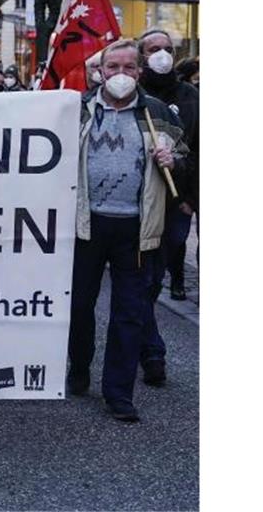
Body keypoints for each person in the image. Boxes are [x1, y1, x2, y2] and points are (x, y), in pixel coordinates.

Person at [67, 39, 188, 422]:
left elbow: (185, 155)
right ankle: (80, 366)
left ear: (140, 71)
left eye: (129, 67)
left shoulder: (157, 113)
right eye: (113, 66)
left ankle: (118, 393)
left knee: (129, 312)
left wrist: (175, 159)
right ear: (100, 71)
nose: (121, 74)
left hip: (137, 229)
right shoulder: (78, 111)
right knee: (78, 304)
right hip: (86, 226)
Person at [137, 29, 199, 310]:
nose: (162, 55)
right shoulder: (134, 94)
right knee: (144, 271)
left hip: (178, 196)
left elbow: (200, 146)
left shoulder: (190, 95)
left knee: (173, 244)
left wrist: (191, 199)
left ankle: (171, 282)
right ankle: (143, 319)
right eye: (153, 49)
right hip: (141, 197)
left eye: (167, 49)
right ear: (142, 56)